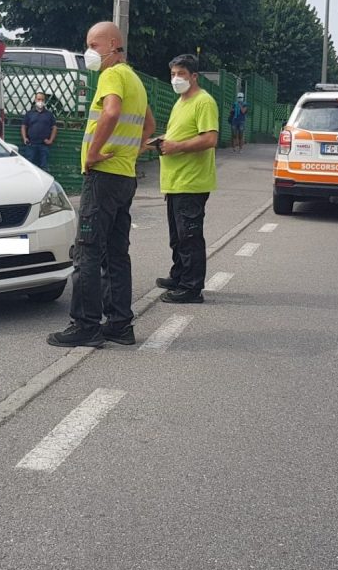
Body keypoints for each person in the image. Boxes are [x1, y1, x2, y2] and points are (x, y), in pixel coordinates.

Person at [48, 21, 154, 348]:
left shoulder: (112, 75)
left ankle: (85, 325)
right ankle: (119, 324)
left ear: (112, 43)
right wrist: (131, 151)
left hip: (102, 177)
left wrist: (93, 153)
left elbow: (110, 112)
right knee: (116, 253)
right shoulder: (134, 79)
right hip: (123, 176)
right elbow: (149, 124)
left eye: (92, 45)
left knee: (88, 252)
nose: (88, 51)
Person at [154, 54, 219, 303]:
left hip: (191, 181)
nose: (176, 79)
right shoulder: (180, 102)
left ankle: (192, 287)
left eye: (181, 74)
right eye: (172, 74)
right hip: (175, 180)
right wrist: (161, 143)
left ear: (194, 76)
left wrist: (177, 146)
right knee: (177, 236)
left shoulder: (204, 102)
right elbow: (177, 135)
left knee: (190, 236)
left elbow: (209, 139)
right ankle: (179, 275)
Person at [20, 93, 57, 170]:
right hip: (31, 144)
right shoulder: (29, 114)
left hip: (44, 145)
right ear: (35, 100)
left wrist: (50, 140)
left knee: (44, 167)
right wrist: (24, 138)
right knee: (29, 166)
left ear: (45, 101)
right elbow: (24, 126)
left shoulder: (49, 114)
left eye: (42, 100)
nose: (40, 101)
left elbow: (54, 127)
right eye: (38, 99)